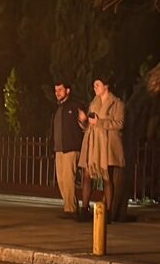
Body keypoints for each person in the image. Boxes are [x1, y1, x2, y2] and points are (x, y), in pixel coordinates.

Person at [77, 78, 125, 221]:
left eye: (97, 85)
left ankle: (108, 212)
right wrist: (84, 120)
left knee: (107, 177)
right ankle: (84, 209)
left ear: (106, 86)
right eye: (94, 85)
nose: (95, 88)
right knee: (86, 175)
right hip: (92, 143)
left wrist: (100, 122)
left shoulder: (117, 103)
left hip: (106, 144)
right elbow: (89, 126)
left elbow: (119, 123)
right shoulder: (94, 102)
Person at [50, 81, 85, 218]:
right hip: (59, 148)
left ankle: (70, 209)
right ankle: (69, 206)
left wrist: (84, 121)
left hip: (71, 147)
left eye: (60, 89)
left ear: (68, 90)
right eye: (56, 90)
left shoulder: (75, 106)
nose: (57, 92)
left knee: (69, 178)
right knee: (61, 180)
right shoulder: (57, 108)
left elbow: (84, 125)